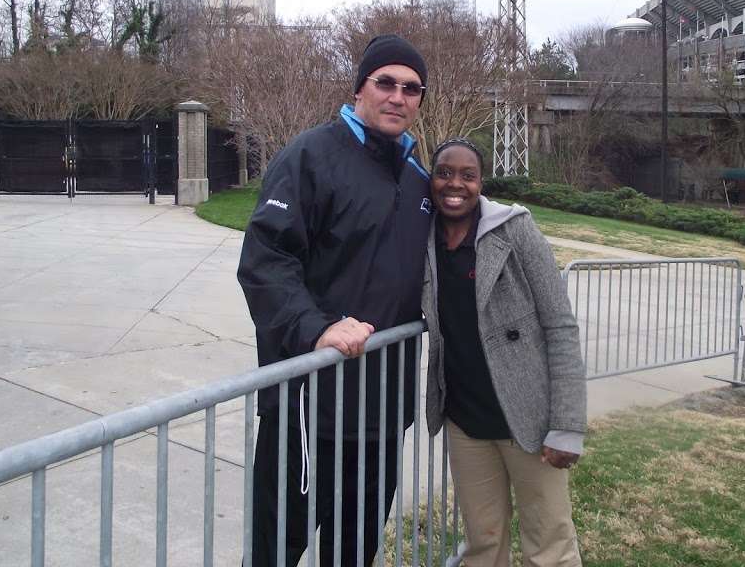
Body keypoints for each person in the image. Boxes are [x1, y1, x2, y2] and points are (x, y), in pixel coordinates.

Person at [237, 34, 432, 567]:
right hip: (309, 407)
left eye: (411, 88)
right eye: (385, 82)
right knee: (277, 548)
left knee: (355, 550)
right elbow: (264, 259)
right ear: (359, 88)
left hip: (383, 411)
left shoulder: (418, 179)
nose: (398, 96)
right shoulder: (310, 156)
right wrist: (316, 326)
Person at [422, 138, 587, 567]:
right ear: (431, 178)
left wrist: (567, 425)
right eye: (444, 173)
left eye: (467, 175)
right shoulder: (424, 241)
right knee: (483, 543)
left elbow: (561, 326)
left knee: (549, 546)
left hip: (529, 418)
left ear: (481, 183)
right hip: (466, 421)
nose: (454, 184)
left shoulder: (515, 230)